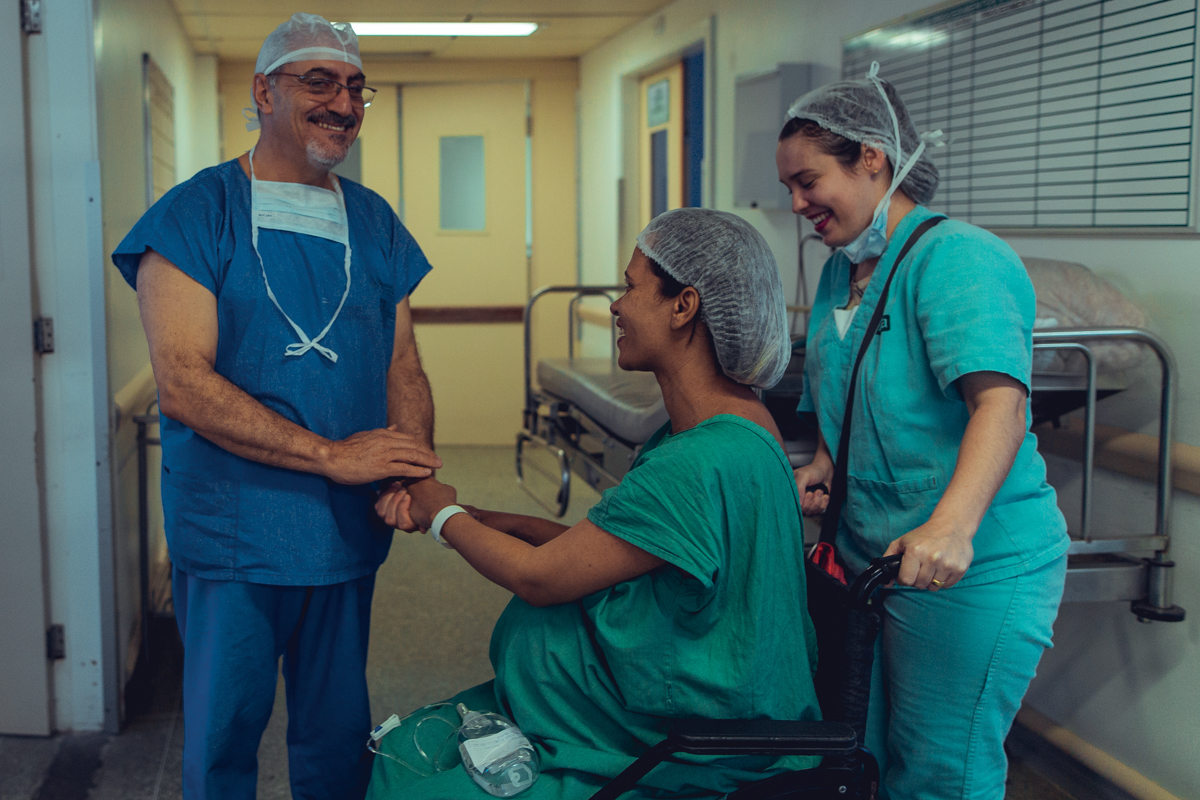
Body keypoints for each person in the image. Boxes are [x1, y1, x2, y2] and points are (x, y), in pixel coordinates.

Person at [367, 208, 820, 799]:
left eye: (630, 287)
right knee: (406, 752)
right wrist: (493, 521)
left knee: (409, 779)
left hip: (668, 744)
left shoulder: (702, 459)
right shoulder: (728, 428)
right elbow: (625, 549)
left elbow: (539, 580)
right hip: (628, 712)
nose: (615, 305)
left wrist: (440, 511)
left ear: (684, 306)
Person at [112, 14, 442, 800]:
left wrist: (409, 464)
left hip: (344, 532)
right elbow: (185, 383)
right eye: (317, 81)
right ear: (263, 91)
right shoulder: (195, 216)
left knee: (337, 739)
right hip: (235, 535)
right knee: (225, 740)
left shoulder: (375, 223)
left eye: (356, 86)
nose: (343, 102)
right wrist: (335, 456)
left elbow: (403, 363)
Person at [777, 63, 1070, 800]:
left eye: (808, 181)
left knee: (941, 770)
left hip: (970, 560)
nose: (796, 203)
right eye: (789, 187)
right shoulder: (844, 272)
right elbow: (851, 387)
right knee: (867, 759)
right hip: (874, 560)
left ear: (872, 157)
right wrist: (827, 464)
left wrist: (952, 525)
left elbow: (999, 405)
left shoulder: (958, 259)